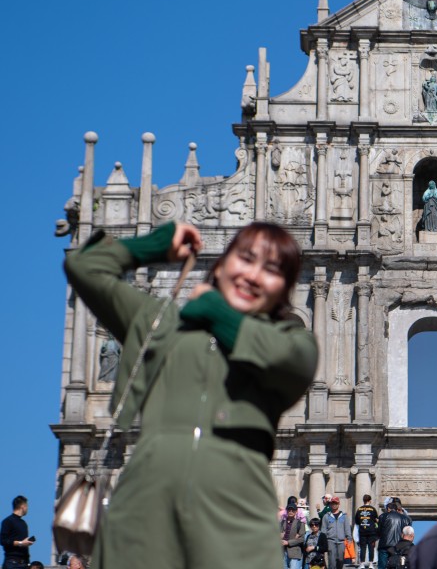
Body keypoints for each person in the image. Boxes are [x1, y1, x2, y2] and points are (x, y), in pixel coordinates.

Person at [64, 221, 318, 569]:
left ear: (284, 288)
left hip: (237, 522)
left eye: (272, 270)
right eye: (245, 258)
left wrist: (213, 309)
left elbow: (287, 363)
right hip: (142, 514)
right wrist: (154, 245)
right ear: (221, 264)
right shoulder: (161, 323)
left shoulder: (293, 341)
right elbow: (84, 266)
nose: (254, 275)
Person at [377, 501, 412, 569]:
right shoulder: (405, 519)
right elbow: (407, 532)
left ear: (388, 509)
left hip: (384, 545)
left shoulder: (383, 516)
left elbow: (379, 531)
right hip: (397, 546)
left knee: (382, 566)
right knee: (395, 565)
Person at [1, 495, 31, 569]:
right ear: (23, 506)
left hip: (24, 563)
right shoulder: (7, 521)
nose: (27, 509)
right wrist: (21, 543)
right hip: (12, 563)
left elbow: (25, 547)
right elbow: (3, 541)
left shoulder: (23, 523)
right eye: (27, 506)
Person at [323, 497, 352, 569]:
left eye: (336, 503)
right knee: (332, 561)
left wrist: (349, 538)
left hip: (341, 541)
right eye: (332, 503)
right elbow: (323, 530)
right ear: (330, 504)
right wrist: (324, 541)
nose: (334, 505)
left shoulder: (344, 516)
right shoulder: (326, 516)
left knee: (341, 560)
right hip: (330, 541)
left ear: (339, 504)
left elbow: (347, 528)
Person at [355, 494, 379, 568]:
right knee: (371, 547)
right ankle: (371, 564)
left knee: (363, 547)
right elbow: (376, 520)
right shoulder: (373, 509)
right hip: (371, 531)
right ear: (370, 500)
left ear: (363, 500)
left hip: (362, 531)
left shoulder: (359, 509)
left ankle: (362, 563)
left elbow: (357, 521)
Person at [282, 502, 307, 569]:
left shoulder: (300, 524)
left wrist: (288, 542)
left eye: (292, 510)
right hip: (283, 552)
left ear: (296, 512)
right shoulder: (281, 523)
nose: (290, 511)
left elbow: (301, 539)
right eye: (289, 510)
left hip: (294, 552)